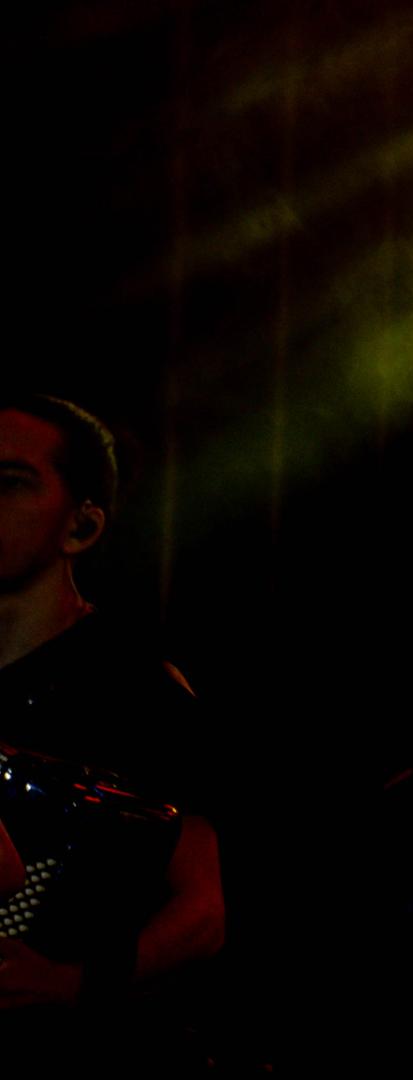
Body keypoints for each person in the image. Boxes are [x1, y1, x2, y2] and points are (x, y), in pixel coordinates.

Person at [0, 393, 224, 1017]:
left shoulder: (136, 692)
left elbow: (205, 911)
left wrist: (71, 982)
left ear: (82, 527)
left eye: (10, 483)